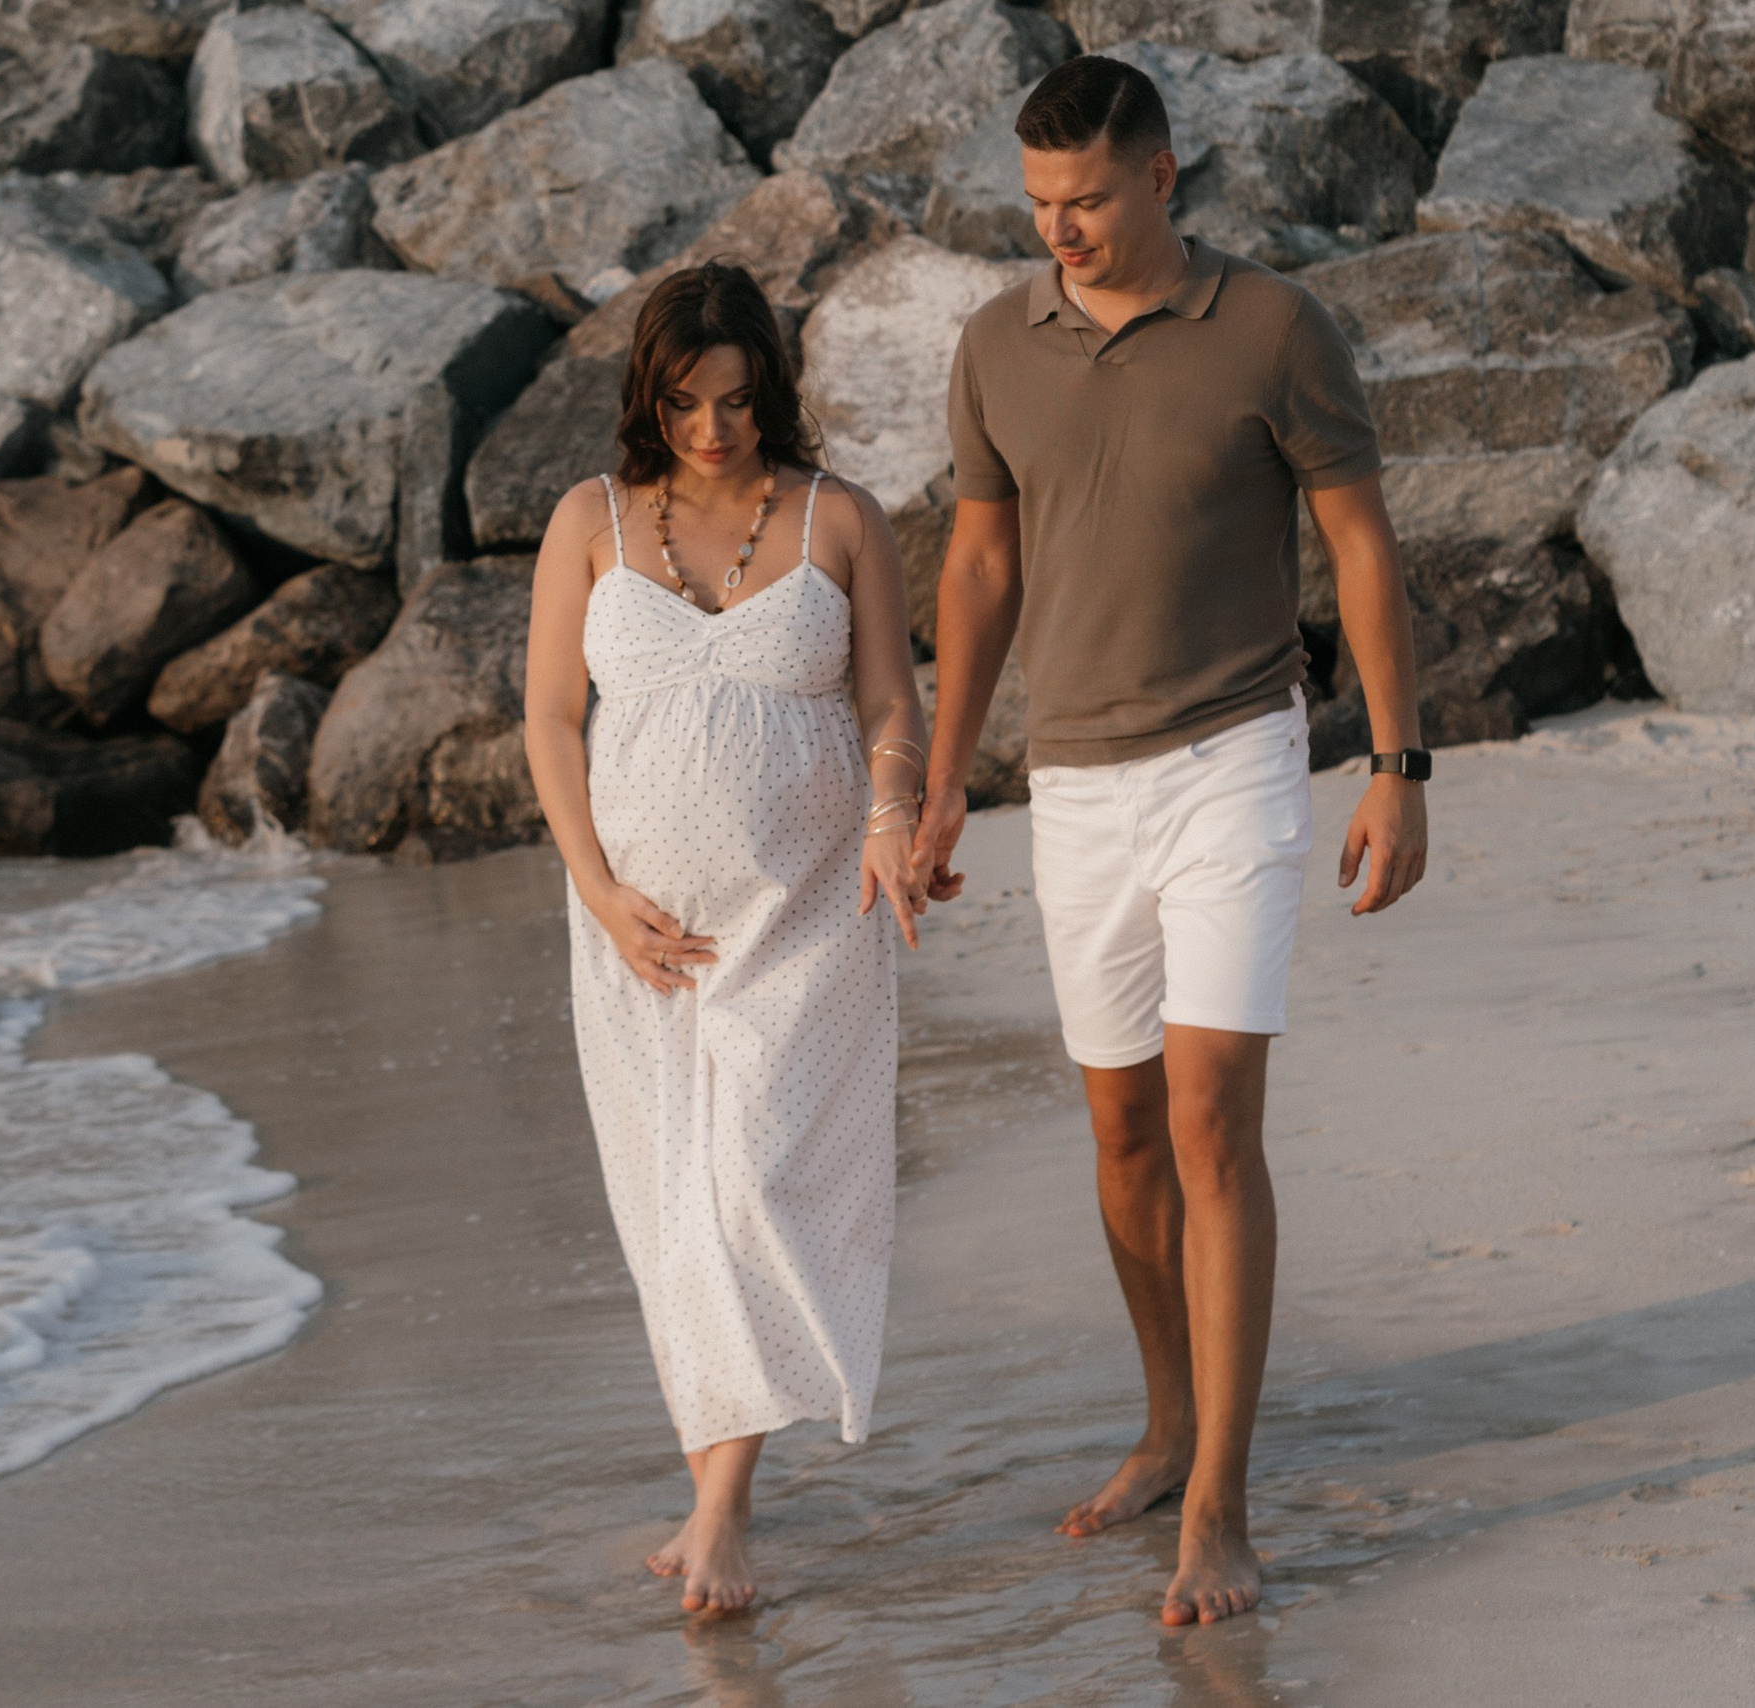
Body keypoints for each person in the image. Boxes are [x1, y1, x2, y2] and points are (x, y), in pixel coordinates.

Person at [916, 55, 1430, 1627]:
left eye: (1082, 200)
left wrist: (1399, 766)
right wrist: (943, 783)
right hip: (1074, 782)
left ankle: (1221, 1504)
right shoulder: (997, 346)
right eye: (1036, 206)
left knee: (1211, 1124)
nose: (1058, 230)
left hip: (1234, 758)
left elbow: (1359, 546)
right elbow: (980, 571)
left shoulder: (1273, 329)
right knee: (1122, 1133)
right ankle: (1167, 1417)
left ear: (1161, 177)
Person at [522, 263, 932, 1616]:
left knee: (752, 1186)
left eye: (740, 402)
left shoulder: (841, 519)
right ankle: (715, 1505)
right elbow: (550, 723)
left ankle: (721, 1512)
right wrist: (594, 889)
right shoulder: (589, 519)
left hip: (808, 914)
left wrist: (891, 821)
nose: (715, 429)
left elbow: (890, 707)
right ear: (650, 394)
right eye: (689, 404)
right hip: (636, 933)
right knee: (671, 1212)